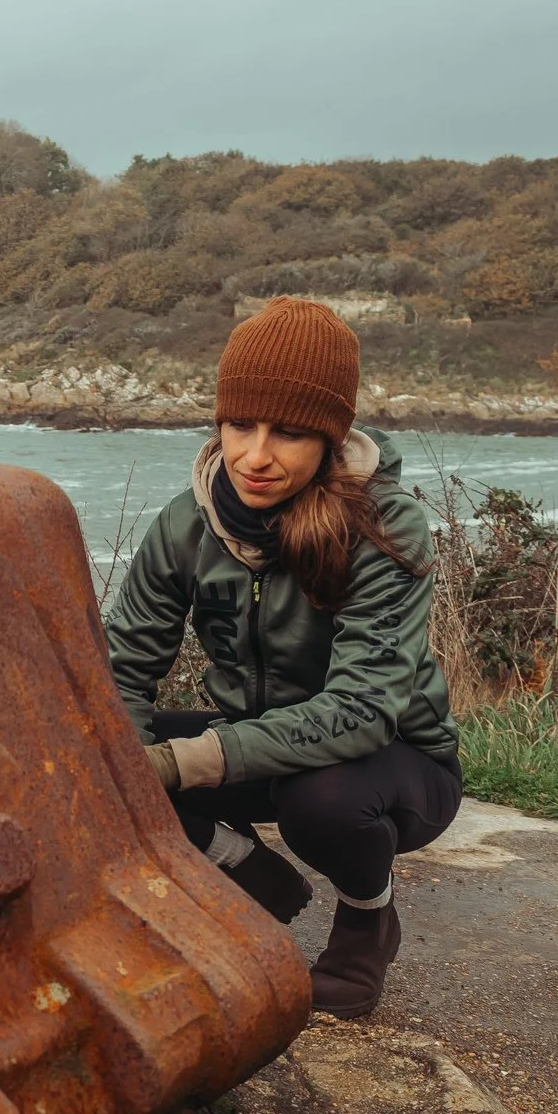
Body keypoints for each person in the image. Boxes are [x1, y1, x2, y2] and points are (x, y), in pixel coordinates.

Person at [104, 297, 459, 1019]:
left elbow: (361, 710)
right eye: (240, 424)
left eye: (289, 432)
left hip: (392, 765)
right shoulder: (186, 522)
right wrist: (136, 760)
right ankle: (242, 864)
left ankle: (367, 919)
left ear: (331, 437)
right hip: (256, 749)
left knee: (319, 802)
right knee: (101, 754)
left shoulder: (385, 525)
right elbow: (123, 666)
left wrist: (178, 764)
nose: (255, 455)